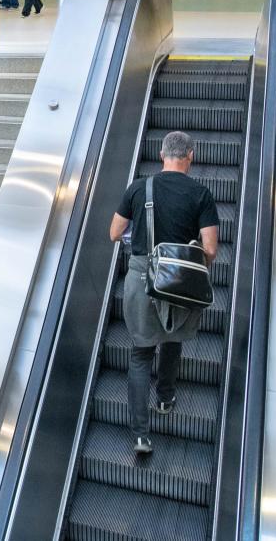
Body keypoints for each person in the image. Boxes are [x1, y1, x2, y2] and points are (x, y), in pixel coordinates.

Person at [109, 132, 219, 455]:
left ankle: (141, 436)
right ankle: (165, 398)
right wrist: (193, 265)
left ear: (161, 155)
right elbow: (210, 249)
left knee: (141, 354)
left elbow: (114, 232)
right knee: (172, 339)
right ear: (190, 156)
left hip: (142, 278)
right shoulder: (201, 194)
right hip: (179, 280)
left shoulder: (139, 188)